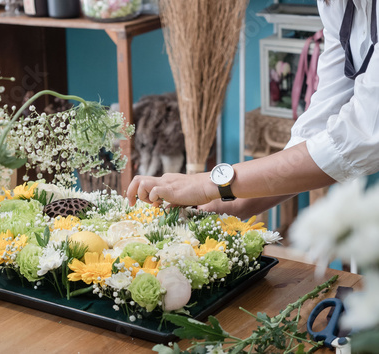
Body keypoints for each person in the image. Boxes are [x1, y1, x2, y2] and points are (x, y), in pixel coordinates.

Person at [126, 0, 379, 220]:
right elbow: (319, 128)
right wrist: (234, 204)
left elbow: (359, 135)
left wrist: (208, 184)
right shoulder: (336, 4)